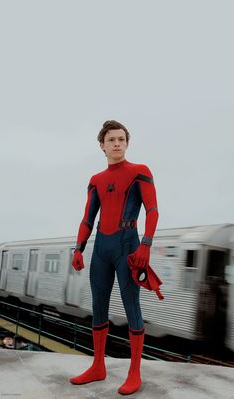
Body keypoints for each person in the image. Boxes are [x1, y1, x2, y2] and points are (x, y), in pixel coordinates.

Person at [70, 120, 159, 395]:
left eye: (121, 139)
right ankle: (98, 366)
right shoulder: (96, 180)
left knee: (131, 305)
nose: (117, 143)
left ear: (127, 143)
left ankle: (134, 372)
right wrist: (78, 248)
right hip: (101, 248)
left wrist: (145, 245)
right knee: (98, 306)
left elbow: (152, 211)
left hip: (128, 246)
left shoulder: (140, 172)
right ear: (102, 145)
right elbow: (88, 218)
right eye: (111, 140)